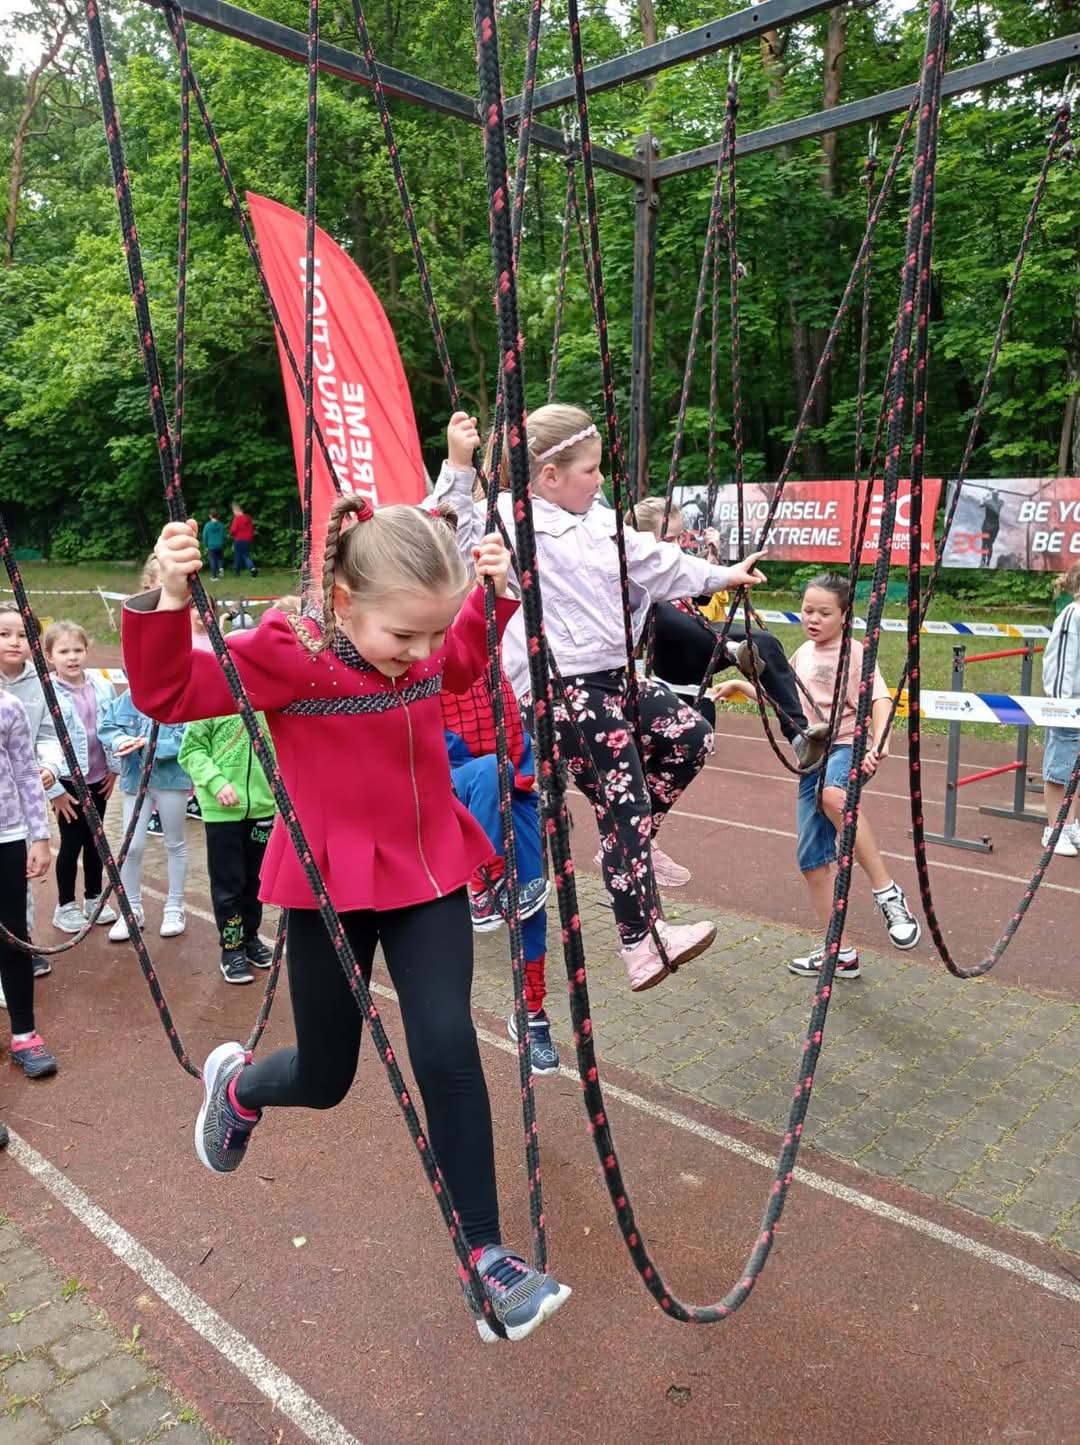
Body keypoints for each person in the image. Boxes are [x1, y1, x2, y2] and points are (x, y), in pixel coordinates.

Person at [122, 497, 570, 1342]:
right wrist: (170, 600)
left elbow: (461, 665)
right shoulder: (292, 654)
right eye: (404, 635)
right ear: (342, 600)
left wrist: (491, 596)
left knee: (448, 1046)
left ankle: (486, 1257)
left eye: (431, 631)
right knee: (326, 1077)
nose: (421, 654)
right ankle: (239, 1087)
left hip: (427, 866)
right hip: (329, 884)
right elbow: (170, 692)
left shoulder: (423, 646)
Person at [433, 404, 768, 992]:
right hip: (561, 686)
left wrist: (724, 575)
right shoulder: (510, 521)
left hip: (614, 677)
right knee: (623, 801)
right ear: (550, 476)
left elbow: (656, 561)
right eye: (589, 470)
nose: (599, 479)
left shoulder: (599, 522)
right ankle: (641, 941)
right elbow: (448, 538)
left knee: (691, 736)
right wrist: (459, 467)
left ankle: (629, 843)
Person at [714, 572, 921, 979]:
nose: (813, 619)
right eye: (808, 610)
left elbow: (880, 699)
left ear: (844, 616)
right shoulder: (803, 653)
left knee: (833, 796)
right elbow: (785, 699)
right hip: (812, 754)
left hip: (846, 746)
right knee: (811, 861)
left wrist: (880, 741)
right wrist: (740, 684)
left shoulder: (854, 653)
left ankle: (887, 893)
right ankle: (839, 951)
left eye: (824, 613)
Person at [425, 491, 555, 1075]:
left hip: (509, 778)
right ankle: (481, 879)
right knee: (484, 773)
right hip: (447, 785)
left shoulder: (489, 628)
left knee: (534, 900)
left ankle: (533, 1013)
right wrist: (456, 463)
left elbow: (489, 581)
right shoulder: (418, 645)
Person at [635, 497, 829, 767]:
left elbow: (705, 587)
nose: (677, 546)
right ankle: (730, 648)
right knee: (658, 608)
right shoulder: (631, 571)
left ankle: (799, 735)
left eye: (680, 538)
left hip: (701, 646)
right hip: (669, 654)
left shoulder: (681, 564)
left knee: (764, 642)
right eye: (669, 539)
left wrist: (733, 576)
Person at [178, 708, 277, 982]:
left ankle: (250, 937)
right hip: (222, 812)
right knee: (228, 882)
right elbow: (191, 750)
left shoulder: (267, 700)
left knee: (256, 881)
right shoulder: (209, 703)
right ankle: (232, 947)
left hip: (263, 808)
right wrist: (216, 782)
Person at [0, 603, 66, 977]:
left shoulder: (43, 686)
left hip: (19, 804)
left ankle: (19, 944)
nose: (14, 642)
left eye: (23, 635)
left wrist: (50, 767)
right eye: (4, 634)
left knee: (19, 877)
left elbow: (49, 735)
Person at [44, 622, 118, 933]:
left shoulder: (101, 685)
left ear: (87, 651)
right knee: (72, 841)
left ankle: (93, 897)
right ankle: (65, 905)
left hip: (98, 776)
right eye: (64, 651)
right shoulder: (47, 692)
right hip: (66, 780)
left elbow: (112, 725)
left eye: (78, 650)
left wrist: (114, 768)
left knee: (95, 839)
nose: (72, 657)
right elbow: (41, 740)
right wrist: (54, 792)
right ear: (50, 656)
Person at [98, 693, 189, 943]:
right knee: (131, 846)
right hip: (135, 780)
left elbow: (187, 737)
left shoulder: (179, 696)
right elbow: (106, 727)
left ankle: (175, 906)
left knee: (174, 842)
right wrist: (121, 740)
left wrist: (149, 745)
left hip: (171, 780)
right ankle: (131, 909)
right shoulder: (126, 698)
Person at [0, 686, 58, 1077]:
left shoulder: (9, 705)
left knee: (13, 937)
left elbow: (24, 770)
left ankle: (24, 1034)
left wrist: (39, 836)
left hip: (7, 836)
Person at [1039, 561, 1080, 857]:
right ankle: (1054, 828)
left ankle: (1071, 823)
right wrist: (1060, 706)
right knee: (1060, 768)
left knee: (1075, 769)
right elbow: (1061, 662)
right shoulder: (1072, 615)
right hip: (1068, 705)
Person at [229, 500, 257, 577]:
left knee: (237, 556)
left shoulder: (237, 519)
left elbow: (233, 530)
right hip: (247, 539)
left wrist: (230, 534)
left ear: (236, 510)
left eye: (234, 511)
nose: (234, 513)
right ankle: (252, 568)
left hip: (238, 539)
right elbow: (251, 529)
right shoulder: (248, 518)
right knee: (245, 555)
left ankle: (236, 572)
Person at [202, 509, 226, 580]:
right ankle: (220, 568)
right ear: (217, 516)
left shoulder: (207, 525)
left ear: (210, 516)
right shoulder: (221, 525)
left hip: (211, 545)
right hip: (220, 545)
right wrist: (223, 543)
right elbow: (224, 536)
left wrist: (206, 545)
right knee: (220, 558)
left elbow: (204, 536)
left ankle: (214, 576)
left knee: (212, 559)